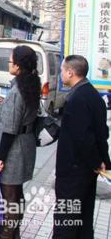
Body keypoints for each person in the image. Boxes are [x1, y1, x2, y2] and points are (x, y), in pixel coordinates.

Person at [0, 45, 40, 238]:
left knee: (10, 199)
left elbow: (9, 129)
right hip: (25, 145)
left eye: (10, 60)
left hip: (13, 150)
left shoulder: (17, 92)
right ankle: (14, 235)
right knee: (16, 196)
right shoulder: (31, 84)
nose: (9, 63)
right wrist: (5, 104)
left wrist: (0, 158)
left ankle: (7, 235)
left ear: (17, 66)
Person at [53, 55, 111, 238]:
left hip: (73, 172)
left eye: (62, 70)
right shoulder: (93, 95)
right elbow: (102, 133)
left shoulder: (76, 98)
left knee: (66, 221)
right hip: (86, 171)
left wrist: (96, 162)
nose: (61, 74)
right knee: (84, 218)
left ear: (70, 72)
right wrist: (102, 161)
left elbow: (83, 138)